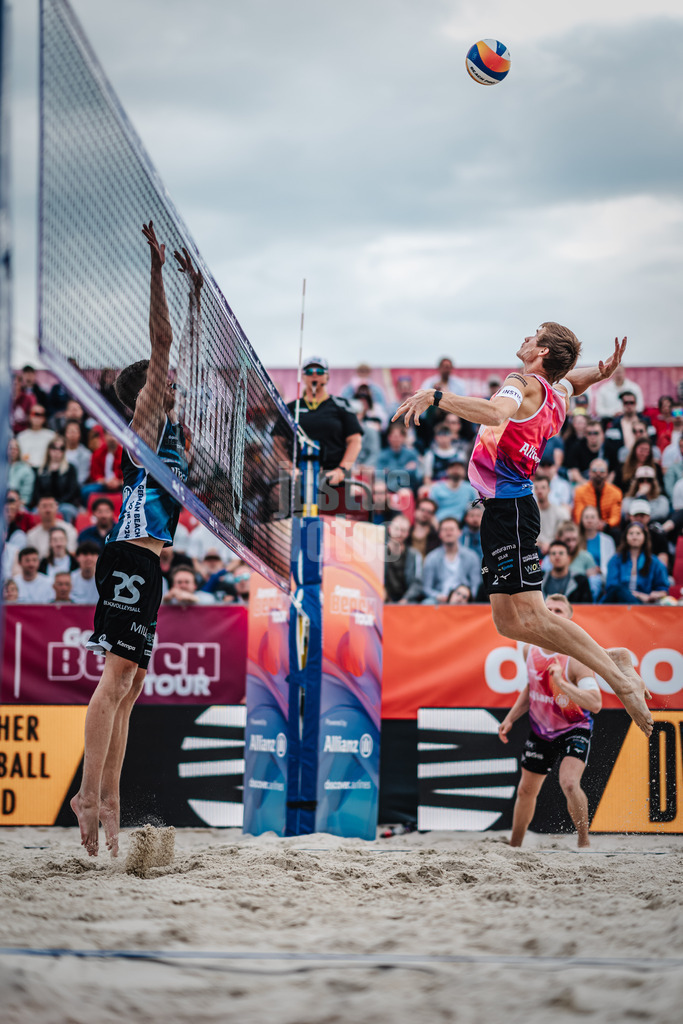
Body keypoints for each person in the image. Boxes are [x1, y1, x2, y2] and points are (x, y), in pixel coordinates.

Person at [394, 328, 653, 735]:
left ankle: (617, 678)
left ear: (542, 351)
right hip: (501, 512)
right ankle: (611, 656)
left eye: (534, 335)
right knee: (507, 622)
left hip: (511, 508)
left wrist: (436, 396)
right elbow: (574, 380)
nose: (526, 337)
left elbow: (496, 414)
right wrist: (601, 373)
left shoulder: (521, 382)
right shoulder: (555, 392)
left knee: (533, 613)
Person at [71, 221, 197, 858]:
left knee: (131, 687)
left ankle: (111, 798)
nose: (173, 382)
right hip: (127, 553)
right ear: (147, 389)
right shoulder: (144, 423)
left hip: (146, 565)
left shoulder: (174, 429)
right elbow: (163, 341)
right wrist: (158, 269)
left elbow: (189, 358)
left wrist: (199, 297)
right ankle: (87, 795)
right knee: (115, 676)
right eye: (164, 379)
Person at [498, 594, 602, 848]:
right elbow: (531, 687)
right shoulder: (528, 649)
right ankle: (514, 847)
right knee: (525, 791)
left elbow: (596, 703)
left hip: (574, 727)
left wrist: (563, 684)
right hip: (541, 730)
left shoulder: (576, 658)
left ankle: (583, 842)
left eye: (559, 611)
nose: (553, 614)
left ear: (568, 620)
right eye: (549, 609)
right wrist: (510, 718)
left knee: (568, 782)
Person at [275, 356, 363, 516]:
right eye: (309, 371)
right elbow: (277, 442)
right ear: (303, 376)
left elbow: (355, 441)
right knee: (291, 524)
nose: (314, 374)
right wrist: (289, 468)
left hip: (333, 479)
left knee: (337, 530)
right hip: (298, 479)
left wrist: (342, 470)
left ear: (327, 376)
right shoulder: (291, 408)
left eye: (319, 371)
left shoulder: (341, 405)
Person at [602, 523, 670, 605]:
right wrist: (636, 595)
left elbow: (663, 589)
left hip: (643, 603)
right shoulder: (615, 560)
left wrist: (652, 595)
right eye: (631, 533)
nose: (634, 537)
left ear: (644, 537)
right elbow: (612, 586)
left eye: (638, 533)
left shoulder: (655, 562)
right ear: (626, 537)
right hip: (618, 602)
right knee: (618, 590)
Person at [421, 518, 481, 604]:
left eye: (452, 529)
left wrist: (467, 596)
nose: (448, 532)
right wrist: (438, 596)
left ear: (460, 532)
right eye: (445, 530)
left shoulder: (472, 557)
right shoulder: (431, 558)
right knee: (426, 603)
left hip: (464, 600)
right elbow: (426, 588)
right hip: (440, 600)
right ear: (439, 534)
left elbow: (476, 585)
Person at [31, 435, 82, 522]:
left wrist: (56, 504)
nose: (57, 451)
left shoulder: (70, 468)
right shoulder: (40, 470)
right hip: (44, 504)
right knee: (35, 512)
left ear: (64, 451)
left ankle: (65, 534)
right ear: (48, 450)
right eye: (54, 447)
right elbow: (36, 493)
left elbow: (72, 492)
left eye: (61, 448)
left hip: (64, 504)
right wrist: (46, 504)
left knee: (66, 511)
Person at [572, 458, 623, 534]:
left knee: (616, 531)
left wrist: (606, 524)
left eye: (602, 471)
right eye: (594, 471)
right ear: (589, 473)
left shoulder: (616, 492)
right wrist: (592, 523)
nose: (598, 474)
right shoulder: (580, 491)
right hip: (586, 525)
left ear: (607, 473)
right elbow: (578, 515)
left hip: (606, 527)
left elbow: (615, 517)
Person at [384, 514, 424, 604]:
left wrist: (405, 599)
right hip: (383, 600)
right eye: (396, 529)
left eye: (403, 530)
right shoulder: (378, 552)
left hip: (407, 602)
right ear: (389, 529)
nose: (399, 533)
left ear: (407, 533)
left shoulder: (414, 555)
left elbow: (417, 583)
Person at [428, 456, 478, 523]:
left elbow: (476, 508)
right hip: (439, 523)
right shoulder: (436, 488)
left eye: (459, 468)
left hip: (462, 524)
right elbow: (430, 509)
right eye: (453, 468)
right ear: (447, 471)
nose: (456, 470)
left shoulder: (470, 488)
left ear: (464, 471)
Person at [374, 423, 422, 493]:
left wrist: (390, 471)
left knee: (404, 492)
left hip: (407, 487)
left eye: (399, 436)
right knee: (379, 487)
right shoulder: (382, 455)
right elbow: (379, 474)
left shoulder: (412, 454)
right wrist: (405, 470)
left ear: (403, 438)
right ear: (389, 437)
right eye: (393, 436)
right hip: (387, 487)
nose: (396, 439)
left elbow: (417, 475)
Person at [533, 474, 569, 555]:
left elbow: (562, 535)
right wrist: (541, 545)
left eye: (543, 487)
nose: (539, 491)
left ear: (549, 489)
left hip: (555, 549)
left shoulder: (560, 512)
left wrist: (550, 545)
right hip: (535, 550)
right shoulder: (530, 513)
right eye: (536, 488)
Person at [84, 430, 124, 499]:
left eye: (114, 435)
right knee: (86, 491)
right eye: (109, 435)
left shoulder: (124, 454)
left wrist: (118, 482)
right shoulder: (97, 454)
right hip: (103, 485)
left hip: (120, 485)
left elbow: (127, 476)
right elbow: (95, 475)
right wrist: (106, 482)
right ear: (104, 436)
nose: (111, 438)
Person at [17, 405, 56, 470]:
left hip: (46, 472)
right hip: (26, 471)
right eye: (34, 414)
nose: (37, 417)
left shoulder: (51, 436)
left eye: (40, 415)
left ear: (44, 418)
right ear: (29, 416)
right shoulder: (21, 437)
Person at [63, 418, 93, 487]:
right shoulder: (59, 451)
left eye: (75, 431)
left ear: (80, 434)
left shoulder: (86, 454)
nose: (72, 434)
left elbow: (82, 478)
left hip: (77, 488)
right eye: (70, 431)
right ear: (65, 433)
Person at [8, 437, 36, 507]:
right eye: (10, 448)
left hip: (19, 505)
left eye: (15, 449)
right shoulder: (2, 467)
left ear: (19, 451)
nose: (13, 451)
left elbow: (26, 497)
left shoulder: (26, 470)